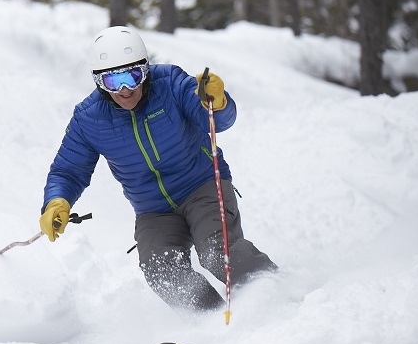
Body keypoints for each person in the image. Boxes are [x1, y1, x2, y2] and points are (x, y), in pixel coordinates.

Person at [39, 25, 277, 313]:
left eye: (133, 76)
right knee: (159, 269)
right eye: (114, 82)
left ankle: (272, 291)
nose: (126, 90)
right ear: (100, 83)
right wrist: (57, 201)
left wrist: (215, 102)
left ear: (146, 70)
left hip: (202, 187)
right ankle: (210, 317)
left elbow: (218, 121)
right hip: (154, 210)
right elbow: (68, 170)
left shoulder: (172, 84)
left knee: (216, 251)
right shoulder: (89, 118)